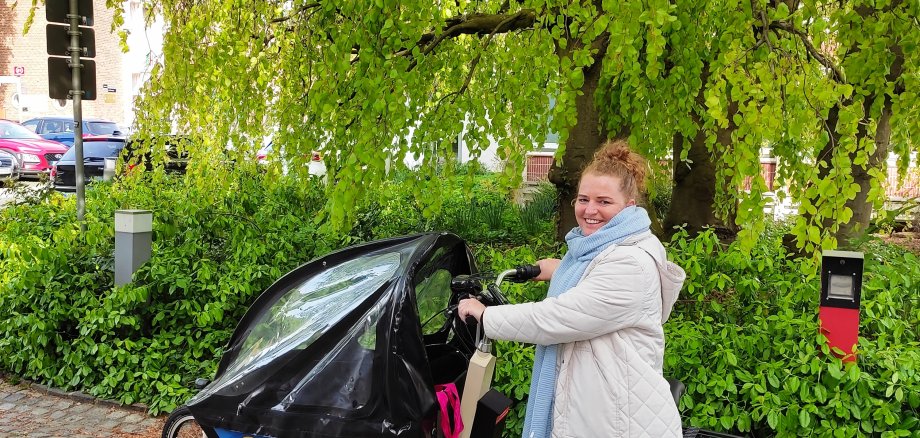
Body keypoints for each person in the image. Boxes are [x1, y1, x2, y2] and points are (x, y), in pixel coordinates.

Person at [458, 139, 685, 438]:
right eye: (583, 199)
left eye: (604, 202)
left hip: (618, 424)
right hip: (599, 410)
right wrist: (560, 268)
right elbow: (594, 272)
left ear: (629, 206)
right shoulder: (601, 247)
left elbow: (557, 318)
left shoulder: (630, 264)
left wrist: (487, 316)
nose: (590, 210)